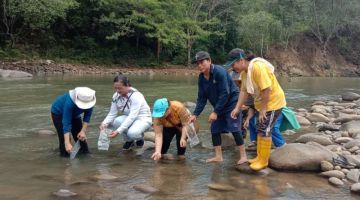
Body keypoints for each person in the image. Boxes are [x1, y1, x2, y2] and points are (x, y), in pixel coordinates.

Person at [225, 48, 286, 171]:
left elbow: (267, 89)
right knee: (260, 127)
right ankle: (259, 157)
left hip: (273, 103)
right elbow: (243, 91)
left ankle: (263, 161)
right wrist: (237, 108)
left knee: (265, 129)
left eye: (233, 64)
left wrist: (263, 110)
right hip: (262, 103)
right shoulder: (244, 73)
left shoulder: (258, 67)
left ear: (241, 60)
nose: (232, 67)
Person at [189, 51, 248, 164]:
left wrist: (215, 112)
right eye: (197, 63)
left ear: (209, 60)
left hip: (232, 103)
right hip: (220, 106)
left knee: (235, 128)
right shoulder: (201, 78)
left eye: (202, 62)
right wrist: (195, 114)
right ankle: (218, 156)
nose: (200, 65)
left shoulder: (219, 72)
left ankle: (243, 156)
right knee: (214, 129)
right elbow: (201, 98)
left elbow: (225, 93)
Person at [99, 75, 152, 150]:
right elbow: (112, 113)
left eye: (120, 88)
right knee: (116, 121)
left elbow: (132, 116)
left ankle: (140, 138)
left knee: (132, 133)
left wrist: (118, 131)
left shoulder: (136, 96)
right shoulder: (115, 96)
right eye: (115, 88)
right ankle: (129, 141)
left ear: (127, 86)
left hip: (143, 119)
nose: (117, 90)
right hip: (129, 118)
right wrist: (104, 123)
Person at [51, 87, 96, 157]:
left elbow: (87, 116)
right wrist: (67, 143)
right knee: (64, 138)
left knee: (81, 137)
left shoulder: (90, 99)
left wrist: (83, 131)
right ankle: (64, 159)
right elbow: (66, 122)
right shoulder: (70, 102)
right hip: (58, 113)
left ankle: (85, 155)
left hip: (75, 114)